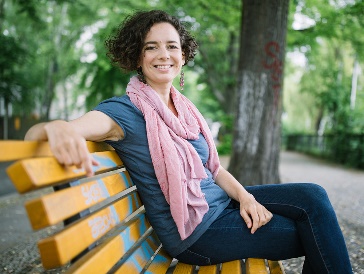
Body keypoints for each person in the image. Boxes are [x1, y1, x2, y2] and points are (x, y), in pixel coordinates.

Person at [25, 10, 353, 274]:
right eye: (150, 46)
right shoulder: (123, 112)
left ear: (182, 55)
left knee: (313, 196)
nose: (163, 54)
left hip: (223, 207)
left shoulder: (184, 109)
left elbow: (216, 169)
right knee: (316, 235)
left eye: (171, 46)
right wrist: (54, 127)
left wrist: (247, 198)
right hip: (197, 235)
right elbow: (50, 133)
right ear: (137, 56)